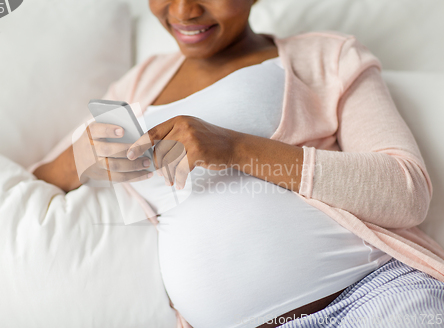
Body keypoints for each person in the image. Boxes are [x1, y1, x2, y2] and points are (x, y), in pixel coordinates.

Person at [30, 0, 444, 327]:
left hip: (370, 296)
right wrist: (86, 152)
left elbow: (406, 191)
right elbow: (42, 179)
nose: (183, 11)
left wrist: (235, 148)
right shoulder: (133, 88)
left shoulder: (326, 55)